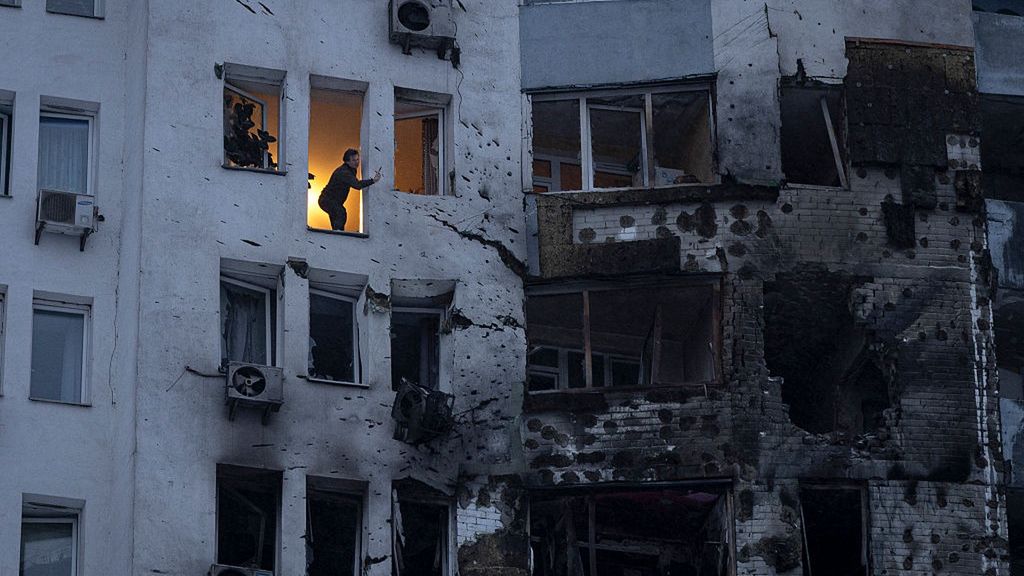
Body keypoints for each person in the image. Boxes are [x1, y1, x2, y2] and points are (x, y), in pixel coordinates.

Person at [318, 148, 381, 231]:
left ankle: (337, 234)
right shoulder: (344, 172)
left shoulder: (351, 170)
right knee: (341, 212)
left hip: (332, 201)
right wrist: (373, 180)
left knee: (337, 215)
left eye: (358, 159)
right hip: (327, 200)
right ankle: (339, 233)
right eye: (354, 160)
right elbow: (357, 185)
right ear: (347, 161)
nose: (357, 162)